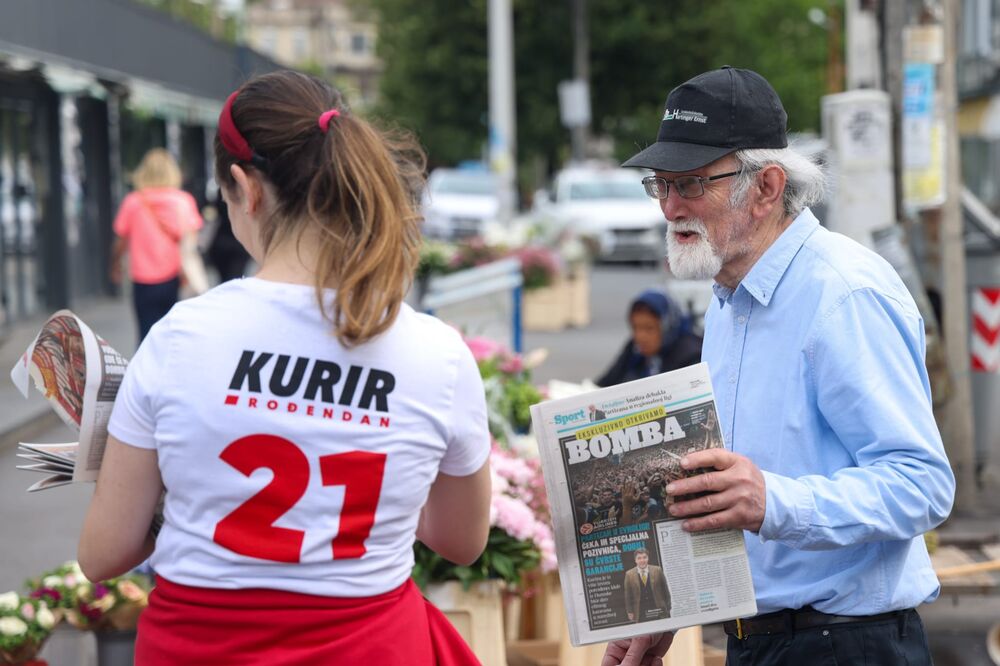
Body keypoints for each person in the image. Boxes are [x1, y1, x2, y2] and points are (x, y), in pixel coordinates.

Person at [79, 71, 491, 664]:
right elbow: (461, 541)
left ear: (247, 190)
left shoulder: (180, 336)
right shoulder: (437, 351)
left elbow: (103, 554)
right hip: (372, 648)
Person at [603, 66, 955, 666]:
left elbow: (922, 484)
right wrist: (669, 610)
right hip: (758, 638)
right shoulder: (726, 299)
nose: (669, 208)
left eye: (689, 184)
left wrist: (775, 502)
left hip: (846, 645)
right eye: (659, 185)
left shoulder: (842, 293)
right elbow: (721, 494)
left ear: (766, 187)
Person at [109, 148, 204, 343]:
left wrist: (115, 264)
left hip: (142, 280)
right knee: (171, 332)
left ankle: (144, 371)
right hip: (174, 277)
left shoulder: (133, 202)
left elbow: (120, 240)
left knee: (145, 333)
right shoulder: (183, 201)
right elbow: (192, 241)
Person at [595, 288, 702, 387]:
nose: (640, 337)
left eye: (649, 328)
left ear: (667, 326)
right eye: (635, 327)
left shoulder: (691, 357)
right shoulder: (635, 351)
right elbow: (604, 384)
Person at [622, 549, 671, 623]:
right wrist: (630, 611)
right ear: (635, 560)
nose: (642, 560)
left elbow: (665, 590)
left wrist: (668, 607)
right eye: (639, 558)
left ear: (648, 558)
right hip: (641, 612)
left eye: (644, 557)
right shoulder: (629, 574)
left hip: (658, 610)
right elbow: (628, 596)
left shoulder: (657, 570)